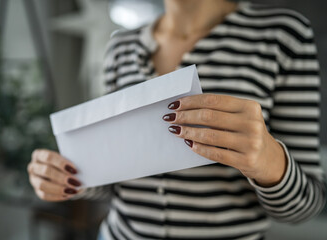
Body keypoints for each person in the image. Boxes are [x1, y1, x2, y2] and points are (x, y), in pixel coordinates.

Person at [27, 0, 326, 239]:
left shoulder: (283, 36)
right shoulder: (121, 47)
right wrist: (69, 176)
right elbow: (120, 182)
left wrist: (269, 161)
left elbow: (307, 206)